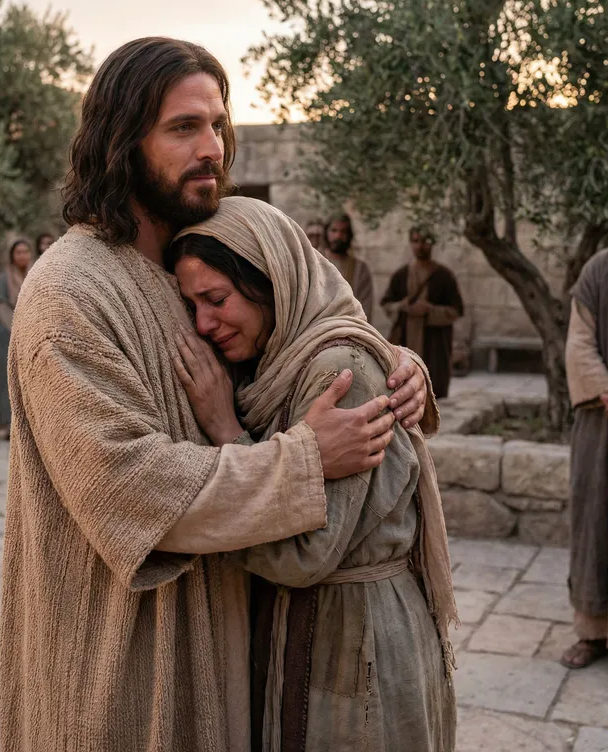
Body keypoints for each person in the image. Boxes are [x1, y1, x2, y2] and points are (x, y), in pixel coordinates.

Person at [0, 37, 435, 752]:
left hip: (228, 648)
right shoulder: (68, 293)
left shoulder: (192, 256)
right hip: (123, 665)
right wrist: (300, 461)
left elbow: (307, 328)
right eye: (182, 128)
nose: (212, 147)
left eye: (217, 125)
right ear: (120, 141)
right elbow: (125, 483)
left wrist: (396, 363)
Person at [169, 196, 456, 752]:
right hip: (314, 634)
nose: (204, 324)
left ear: (272, 281)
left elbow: (305, 554)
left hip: (360, 642)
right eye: (191, 307)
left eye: (217, 299)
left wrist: (227, 431)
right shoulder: (277, 363)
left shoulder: (337, 371)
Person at [562, 246, 608, 669]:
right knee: (594, 523)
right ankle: (593, 633)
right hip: (602, 426)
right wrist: (605, 390)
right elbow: (578, 342)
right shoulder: (600, 269)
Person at [381, 228, 464, 399]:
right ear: (411, 243)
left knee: (434, 393)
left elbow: (456, 310)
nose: (420, 246)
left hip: (435, 344)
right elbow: (387, 304)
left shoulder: (444, 276)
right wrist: (402, 307)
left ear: (432, 244)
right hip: (405, 340)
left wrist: (430, 311)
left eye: (425, 241)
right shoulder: (401, 275)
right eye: (416, 241)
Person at [0, 239, 32, 439]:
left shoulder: (35, 274)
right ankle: (7, 423)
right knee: (5, 378)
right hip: (7, 333)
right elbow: (0, 305)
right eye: (18, 252)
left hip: (30, 332)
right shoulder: (4, 278)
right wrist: (14, 327)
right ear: (12, 255)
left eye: (25, 252)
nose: (22, 256)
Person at [323, 211, 375, 322]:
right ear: (326, 233)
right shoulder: (315, 263)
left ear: (349, 235)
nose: (338, 236)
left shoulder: (360, 269)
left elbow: (365, 309)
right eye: (334, 230)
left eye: (343, 232)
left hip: (349, 329)